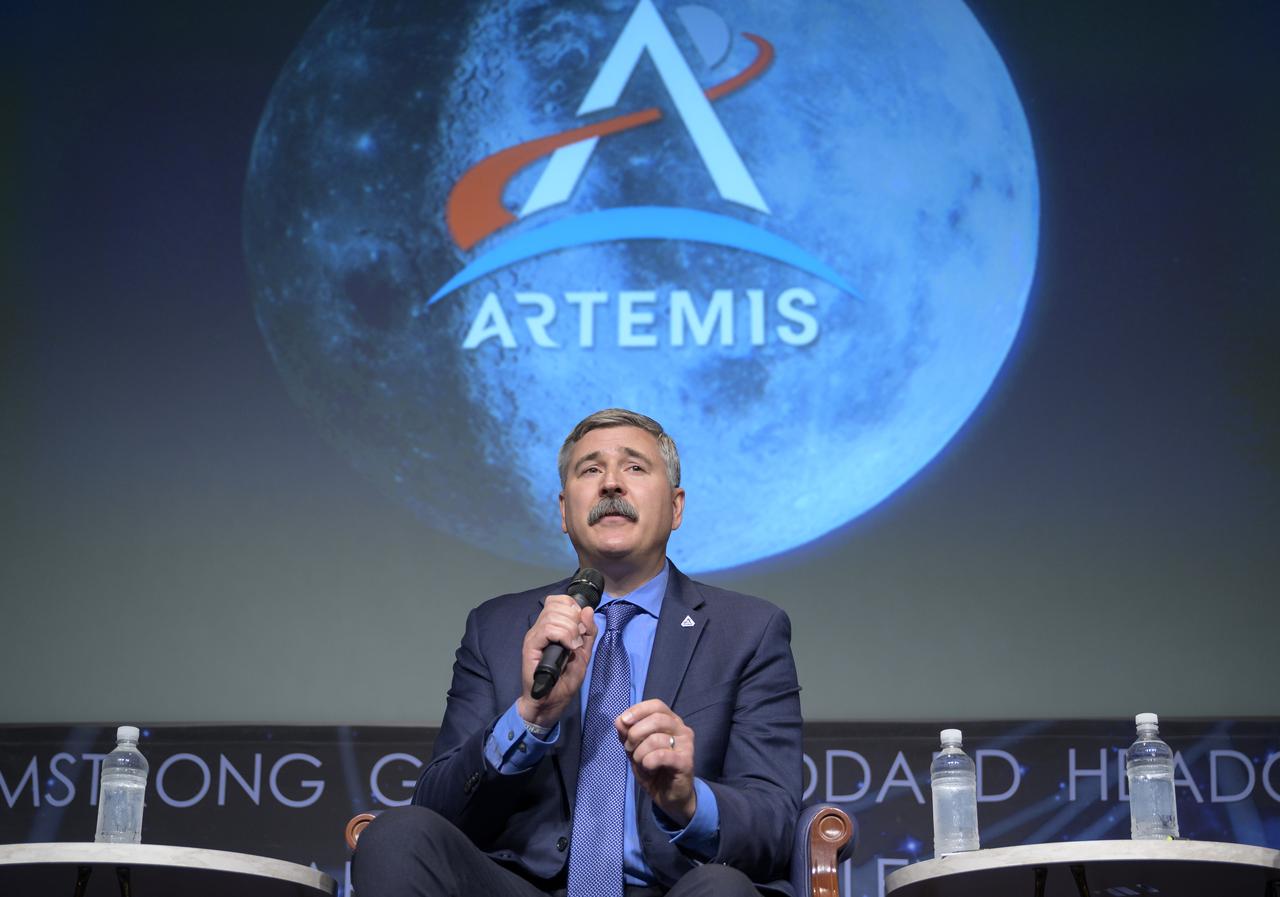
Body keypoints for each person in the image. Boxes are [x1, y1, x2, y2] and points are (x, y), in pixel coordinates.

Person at [353, 409, 803, 896]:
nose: (611, 483)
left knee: (722, 890)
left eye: (634, 467)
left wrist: (687, 801)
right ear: (564, 511)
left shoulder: (749, 631)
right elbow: (437, 811)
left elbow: (775, 827)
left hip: (677, 888)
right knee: (396, 835)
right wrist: (531, 716)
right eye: (590, 469)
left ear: (676, 508)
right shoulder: (498, 628)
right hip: (527, 889)